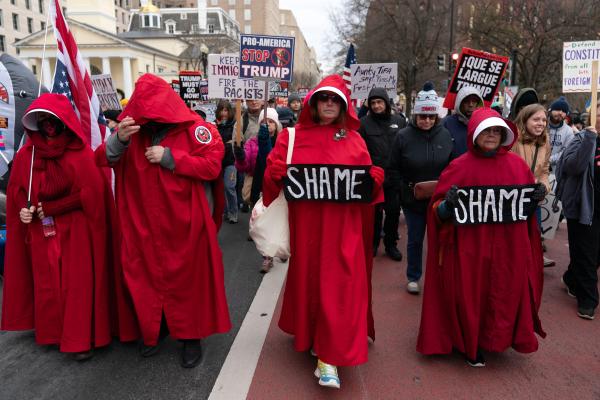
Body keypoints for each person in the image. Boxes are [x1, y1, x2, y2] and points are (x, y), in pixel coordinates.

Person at [95, 74, 231, 368]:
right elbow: (101, 160)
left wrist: (172, 158)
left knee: (188, 283)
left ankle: (190, 337)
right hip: (143, 224)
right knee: (146, 278)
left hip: (185, 224)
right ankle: (155, 329)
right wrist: (118, 139)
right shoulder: (130, 131)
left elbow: (211, 166)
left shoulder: (197, 129)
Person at [262, 75, 384, 389]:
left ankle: (330, 355)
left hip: (344, 230)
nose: (329, 104)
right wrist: (274, 171)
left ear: (343, 106)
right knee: (312, 282)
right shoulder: (291, 137)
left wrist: (374, 179)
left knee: (341, 285)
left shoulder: (355, 140)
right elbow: (272, 181)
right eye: (323, 98)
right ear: (314, 103)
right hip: (307, 230)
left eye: (335, 100)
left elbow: (365, 190)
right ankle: (315, 337)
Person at [1, 93, 136, 360]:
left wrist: (55, 207)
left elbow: (94, 195)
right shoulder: (27, 156)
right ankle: (54, 332)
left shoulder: (80, 153)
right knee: (47, 283)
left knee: (77, 285)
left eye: (51, 121)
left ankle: (81, 338)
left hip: (77, 232)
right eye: (42, 121)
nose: (48, 129)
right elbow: (19, 192)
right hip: (42, 233)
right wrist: (23, 211)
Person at [417, 107, 546, 367]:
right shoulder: (458, 167)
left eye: (496, 130)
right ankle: (470, 344)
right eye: (486, 130)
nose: (491, 135)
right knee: (470, 295)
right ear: (474, 133)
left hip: (508, 247)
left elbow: (525, 212)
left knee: (504, 292)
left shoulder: (517, 166)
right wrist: (446, 206)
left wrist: (535, 199)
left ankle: (496, 339)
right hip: (469, 248)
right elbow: (438, 212)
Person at [388, 83, 453, 294]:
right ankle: (413, 276)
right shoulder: (403, 137)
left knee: (440, 240)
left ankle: (439, 276)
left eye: (431, 117)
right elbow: (393, 167)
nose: (426, 121)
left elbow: (453, 165)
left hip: (440, 199)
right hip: (412, 199)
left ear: (436, 117)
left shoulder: (445, 135)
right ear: (415, 115)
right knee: (415, 239)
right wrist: (402, 191)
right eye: (422, 116)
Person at [556, 105, 600, 320]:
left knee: (593, 254)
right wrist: (590, 140)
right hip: (584, 206)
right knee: (587, 255)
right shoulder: (582, 138)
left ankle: (572, 278)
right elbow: (573, 167)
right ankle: (588, 299)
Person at [358, 87, 407, 260]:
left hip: (394, 177)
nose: (377, 106)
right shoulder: (363, 123)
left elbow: (405, 147)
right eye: (373, 103)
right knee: (374, 215)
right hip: (373, 178)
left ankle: (391, 244)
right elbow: (359, 150)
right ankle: (373, 244)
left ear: (386, 102)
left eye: (379, 102)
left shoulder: (399, 121)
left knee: (393, 213)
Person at [234, 107, 282, 272]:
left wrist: (267, 146)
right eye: (263, 122)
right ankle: (267, 257)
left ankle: (281, 248)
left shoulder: (283, 142)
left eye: (270, 122)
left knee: (279, 221)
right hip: (258, 184)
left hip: (277, 186)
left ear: (276, 125)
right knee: (265, 222)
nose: (267, 125)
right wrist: (240, 156)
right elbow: (245, 165)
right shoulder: (252, 142)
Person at [512, 104, 555, 267]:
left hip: (533, 201)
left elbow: (544, 170)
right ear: (525, 119)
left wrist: (544, 187)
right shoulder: (513, 138)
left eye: (544, 120)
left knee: (534, 238)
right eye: (536, 119)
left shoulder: (545, 142)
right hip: (512, 199)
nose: (541, 123)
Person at [443, 85, 484, 158]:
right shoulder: (447, 123)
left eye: (474, 101)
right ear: (459, 103)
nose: (470, 105)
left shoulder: (483, 124)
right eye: (466, 101)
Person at [216, 100, 238, 224]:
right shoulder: (215, 125)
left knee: (229, 186)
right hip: (218, 161)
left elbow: (236, 142)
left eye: (226, 110)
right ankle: (223, 210)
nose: (223, 113)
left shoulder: (235, 125)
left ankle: (233, 212)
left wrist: (229, 144)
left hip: (231, 161)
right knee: (220, 188)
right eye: (221, 110)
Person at [548, 96, 574, 172]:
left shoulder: (569, 131)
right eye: (557, 109)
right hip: (538, 169)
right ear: (551, 110)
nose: (560, 112)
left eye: (563, 111)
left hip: (557, 172)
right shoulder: (542, 124)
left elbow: (566, 151)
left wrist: (549, 160)